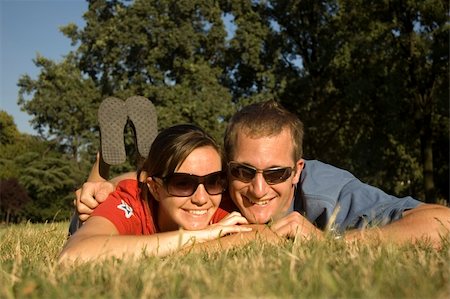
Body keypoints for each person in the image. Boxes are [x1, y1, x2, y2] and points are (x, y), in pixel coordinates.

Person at [75, 101, 450, 247]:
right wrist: (105, 184)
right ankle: (103, 164)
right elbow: (182, 174)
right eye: (242, 171)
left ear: (297, 171)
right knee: (103, 194)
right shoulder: (213, 186)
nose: (257, 189)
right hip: (107, 217)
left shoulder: (323, 187)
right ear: (227, 167)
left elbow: (442, 222)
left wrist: (329, 244)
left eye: (276, 174)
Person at [59, 124, 252, 262]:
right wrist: (198, 236)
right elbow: (73, 255)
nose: (201, 199)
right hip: (89, 215)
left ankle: (148, 172)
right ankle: (102, 162)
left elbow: (261, 234)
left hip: (148, 179)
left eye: (213, 181)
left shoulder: (219, 199)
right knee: (95, 197)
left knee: (141, 176)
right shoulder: (128, 202)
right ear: (155, 189)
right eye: (182, 183)